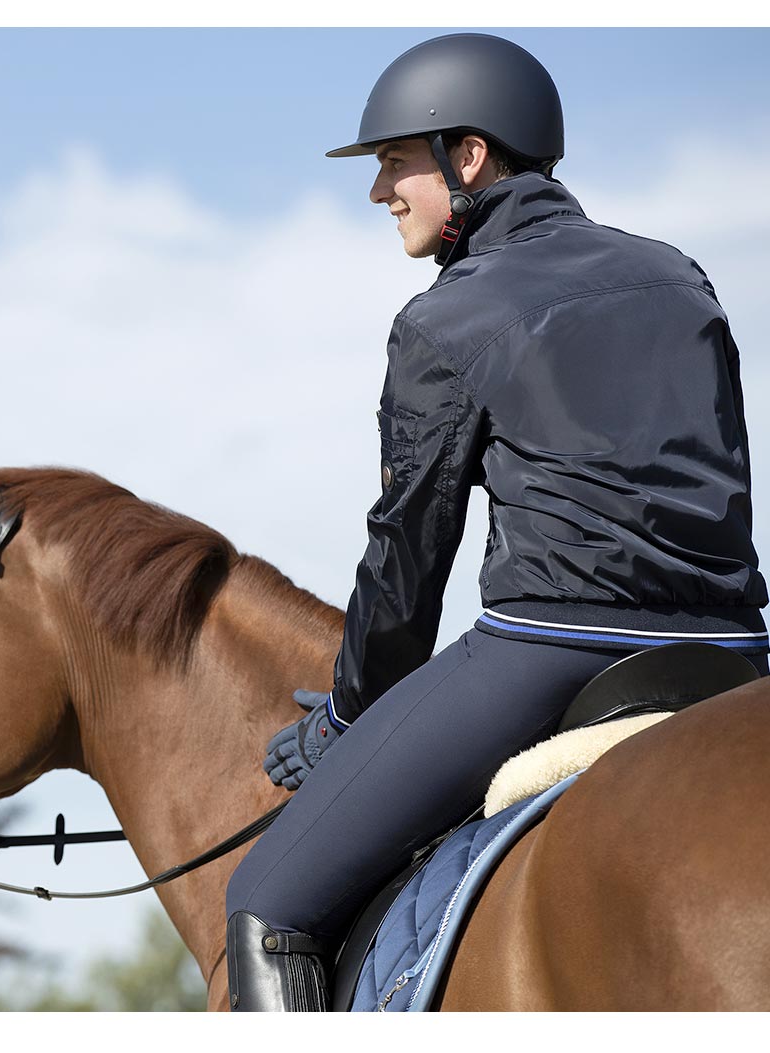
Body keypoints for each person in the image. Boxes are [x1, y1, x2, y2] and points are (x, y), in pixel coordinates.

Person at [224, 33, 769, 1012]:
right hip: (732, 647)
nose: (379, 190)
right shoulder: (679, 274)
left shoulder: (450, 315)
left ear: (466, 157)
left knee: (269, 898)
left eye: (395, 160)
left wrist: (349, 717)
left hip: (547, 647)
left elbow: (407, 554)